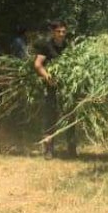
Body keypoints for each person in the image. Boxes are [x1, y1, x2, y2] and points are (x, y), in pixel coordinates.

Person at [34, 19, 76, 159]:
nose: (61, 34)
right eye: (58, 31)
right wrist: (48, 77)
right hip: (50, 87)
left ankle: (72, 149)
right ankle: (48, 150)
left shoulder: (67, 46)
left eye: (64, 31)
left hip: (67, 87)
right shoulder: (46, 46)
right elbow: (38, 64)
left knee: (71, 115)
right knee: (50, 118)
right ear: (53, 32)